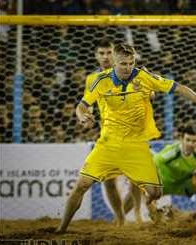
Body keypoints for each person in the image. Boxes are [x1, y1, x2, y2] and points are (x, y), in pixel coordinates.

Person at [55, 43, 196, 233]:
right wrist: (82, 115)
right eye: (123, 64)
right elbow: (82, 106)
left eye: (131, 63)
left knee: (155, 193)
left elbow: (178, 87)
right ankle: (61, 229)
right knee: (82, 185)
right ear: (114, 62)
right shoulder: (100, 80)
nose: (128, 67)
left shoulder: (143, 77)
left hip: (136, 147)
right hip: (107, 145)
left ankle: (148, 208)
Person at [122, 124, 196, 219]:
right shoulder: (171, 152)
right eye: (188, 140)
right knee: (138, 183)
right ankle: (122, 216)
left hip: (185, 185)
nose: (190, 144)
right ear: (181, 140)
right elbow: (152, 166)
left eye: (194, 141)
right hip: (164, 184)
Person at [83, 38, 129, 225]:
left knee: (140, 180)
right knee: (109, 181)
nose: (105, 57)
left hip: (134, 133)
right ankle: (120, 218)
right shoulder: (93, 79)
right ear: (95, 56)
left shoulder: (128, 72)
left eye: (109, 52)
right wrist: (87, 116)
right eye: (101, 53)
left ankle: (149, 214)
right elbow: (89, 105)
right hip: (110, 135)